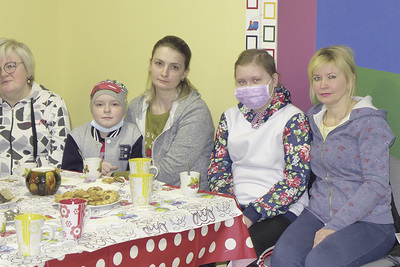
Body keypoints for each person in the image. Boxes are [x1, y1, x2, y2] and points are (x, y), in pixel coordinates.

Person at [271, 45, 396, 267]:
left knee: (320, 261)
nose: (323, 85)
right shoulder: (313, 118)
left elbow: (375, 185)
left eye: (331, 77)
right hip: (318, 213)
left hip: (369, 221)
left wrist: (335, 226)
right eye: (317, 78)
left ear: (350, 79)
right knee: (283, 257)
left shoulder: (370, 123)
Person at [208, 49, 311, 266]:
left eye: (256, 80)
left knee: (241, 255)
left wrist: (252, 214)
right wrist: (230, 208)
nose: (248, 88)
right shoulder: (229, 118)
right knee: (200, 246)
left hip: (279, 211)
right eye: (242, 82)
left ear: (273, 80)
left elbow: (296, 180)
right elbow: (218, 168)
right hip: (235, 207)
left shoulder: (294, 119)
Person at [125, 35, 214, 190]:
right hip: (143, 192)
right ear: (150, 64)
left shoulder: (195, 111)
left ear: (184, 73)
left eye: (174, 67)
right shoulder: (135, 107)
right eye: (159, 64)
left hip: (185, 198)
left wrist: (121, 176)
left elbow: (172, 170)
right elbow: (128, 156)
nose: (164, 73)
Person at [0, 38, 70, 176]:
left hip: (38, 187)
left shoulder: (51, 103)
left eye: (10, 66)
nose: (3, 74)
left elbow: (61, 154)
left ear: (28, 69)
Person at [62, 79, 142, 175]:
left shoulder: (134, 135)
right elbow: (67, 172)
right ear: (92, 108)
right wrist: (91, 168)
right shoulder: (76, 136)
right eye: (100, 105)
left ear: (123, 109)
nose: (107, 110)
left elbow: (139, 172)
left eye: (114, 104)